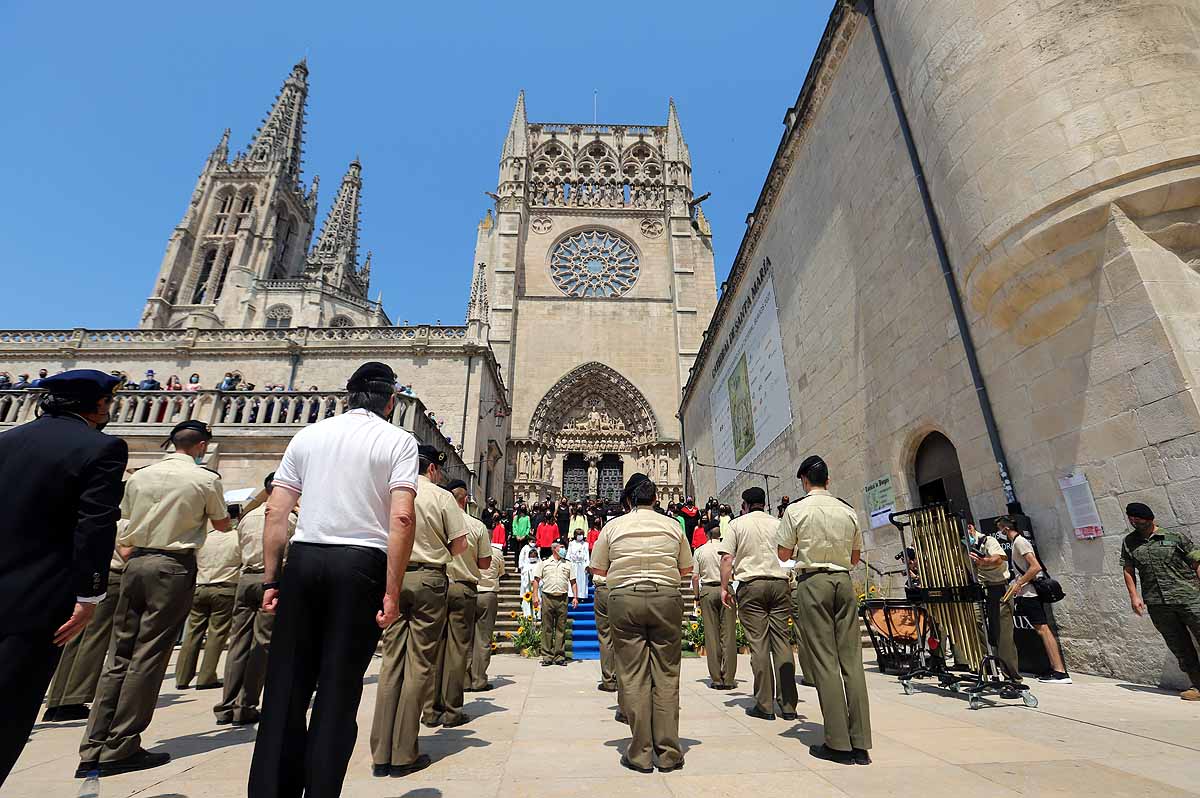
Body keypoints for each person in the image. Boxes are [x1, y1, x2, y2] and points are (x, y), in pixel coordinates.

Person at [247, 362, 420, 796]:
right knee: (339, 690)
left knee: (285, 685)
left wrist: (272, 579)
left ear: (348, 396)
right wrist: (392, 591)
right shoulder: (398, 440)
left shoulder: (308, 436)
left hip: (304, 561)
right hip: (360, 565)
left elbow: (275, 511)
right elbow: (401, 517)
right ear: (392, 402)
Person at [79, 420, 230, 778]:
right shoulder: (205, 479)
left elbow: (122, 522)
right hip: (172, 565)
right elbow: (222, 525)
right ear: (202, 445)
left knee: (120, 654)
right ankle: (122, 745)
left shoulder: (141, 476)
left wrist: (131, 551)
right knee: (149, 654)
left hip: (136, 562)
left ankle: (94, 744)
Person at [0, 370, 127, 786]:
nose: (108, 410)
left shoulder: (7, 440)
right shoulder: (102, 447)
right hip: (39, 598)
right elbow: (95, 525)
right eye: (107, 403)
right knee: (12, 705)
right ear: (95, 406)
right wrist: (89, 594)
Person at [369, 443, 467, 778]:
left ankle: (381, 753)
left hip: (393, 577)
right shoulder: (441, 497)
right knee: (420, 664)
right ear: (434, 469)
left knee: (391, 662)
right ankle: (404, 752)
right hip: (428, 580)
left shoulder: (392, 493)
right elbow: (460, 545)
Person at [591, 473, 692, 773]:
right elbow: (685, 568)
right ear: (656, 499)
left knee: (633, 675)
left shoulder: (613, 526)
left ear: (628, 501)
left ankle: (640, 752)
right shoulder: (673, 526)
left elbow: (598, 567)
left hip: (624, 601)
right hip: (666, 597)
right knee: (666, 674)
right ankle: (669, 752)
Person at [777, 455, 871, 765]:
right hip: (843, 581)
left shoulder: (796, 510)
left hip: (813, 581)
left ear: (804, 481)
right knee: (851, 661)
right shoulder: (847, 510)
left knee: (825, 660)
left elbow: (783, 553)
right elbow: (856, 557)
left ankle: (838, 742)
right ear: (828, 481)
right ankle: (860, 742)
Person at [214, 472, 296, 726]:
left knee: (238, 642)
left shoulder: (248, 517)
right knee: (263, 644)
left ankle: (226, 704)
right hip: (270, 580)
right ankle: (246, 704)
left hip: (246, 578)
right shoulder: (289, 518)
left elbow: (239, 547)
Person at [720, 487, 795, 720]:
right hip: (780, 583)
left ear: (744, 504)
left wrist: (724, 587)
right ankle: (789, 704)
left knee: (759, 644)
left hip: (751, 585)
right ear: (764, 503)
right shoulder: (778, 523)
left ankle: (765, 703)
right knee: (782, 642)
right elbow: (789, 553)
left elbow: (726, 558)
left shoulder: (737, 525)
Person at [422, 479, 491, 728]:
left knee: (433, 647)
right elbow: (485, 563)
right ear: (465, 499)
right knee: (458, 649)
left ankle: (430, 709)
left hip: (436, 585)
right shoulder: (475, 526)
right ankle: (452, 711)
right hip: (463, 589)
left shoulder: (434, 519)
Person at [44, 529, 128, 723]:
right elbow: (125, 552)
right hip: (109, 575)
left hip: (84, 574)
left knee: (74, 637)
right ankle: (74, 699)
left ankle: (58, 699)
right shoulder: (118, 518)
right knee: (94, 639)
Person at [1120, 502, 1200, 700]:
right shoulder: (1129, 542)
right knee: (1180, 646)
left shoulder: (1175, 537)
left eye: (1139, 521)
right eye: (1132, 521)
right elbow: (1128, 569)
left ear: (1150, 519)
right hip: (1157, 603)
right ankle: (1198, 686)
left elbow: (1196, 562)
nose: (1135, 524)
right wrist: (1134, 596)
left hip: (1189, 598)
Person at [998, 516, 1070, 683]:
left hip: (1030, 593)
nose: (999, 533)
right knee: (1040, 629)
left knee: (1043, 629)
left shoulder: (1019, 542)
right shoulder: (1018, 542)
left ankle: (1059, 670)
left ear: (1005, 528)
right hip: (1026, 592)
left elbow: (1035, 566)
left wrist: (1019, 583)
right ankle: (1055, 668)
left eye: (1000, 529)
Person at [176, 522, 241, 689]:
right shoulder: (237, 538)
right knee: (216, 634)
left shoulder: (205, 538)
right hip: (225, 587)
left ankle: (182, 677)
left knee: (192, 632)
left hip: (201, 585)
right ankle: (206, 677)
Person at [967, 523, 1020, 680]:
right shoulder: (961, 547)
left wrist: (985, 562)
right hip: (977, 590)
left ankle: (1012, 677)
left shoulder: (988, 541)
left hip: (997, 589)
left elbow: (999, 558)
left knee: (1002, 634)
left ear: (970, 528)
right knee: (975, 625)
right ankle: (987, 667)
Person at [694, 524, 736, 690]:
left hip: (708, 589)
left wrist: (696, 596)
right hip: (727, 587)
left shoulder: (700, 551)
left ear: (706, 533)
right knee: (729, 635)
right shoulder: (729, 548)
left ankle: (717, 678)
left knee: (711, 636)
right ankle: (729, 678)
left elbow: (696, 577)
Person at [468, 539, 506, 692]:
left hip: (470, 591)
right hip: (488, 593)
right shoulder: (496, 553)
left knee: (465, 638)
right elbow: (500, 572)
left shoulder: (468, 550)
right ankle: (478, 680)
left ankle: (464, 680)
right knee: (483, 638)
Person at [532, 541, 578, 666]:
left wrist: (575, 597)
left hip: (562, 598)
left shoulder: (568, 564)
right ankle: (547, 656)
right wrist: (535, 596)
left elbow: (573, 581)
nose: (563, 550)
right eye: (561, 547)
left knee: (561, 628)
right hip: (548, 597)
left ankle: (559, 656)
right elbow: (536, 580)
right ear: (554, 549)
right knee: (546, 627)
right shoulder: (544, 563)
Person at [567, 528, 590, 595]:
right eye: (578, 534)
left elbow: (587, 555)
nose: (580, 536)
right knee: (573, 579)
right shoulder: (571, 543)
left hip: (582, 564)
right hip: (573, 564)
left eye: (581, 534)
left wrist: (587, 565)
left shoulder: (585, 544)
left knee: (581, 580)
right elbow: (568, 554)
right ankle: (572, 595)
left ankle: (581, 595)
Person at [520, 544, 540, 618]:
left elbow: (542, 577)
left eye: (534, 556)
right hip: (528, 587)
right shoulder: (526, 566)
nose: (532, 558)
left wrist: (537, 582)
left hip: (537, 588)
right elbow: (523, 577)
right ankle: (527, 615)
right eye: (531, 556)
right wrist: (528, 581)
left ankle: (537, 615)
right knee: (527, 602)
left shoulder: (539, 565)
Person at [511, 506, 531, 571]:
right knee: (517, 552)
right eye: (521, 507)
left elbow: (528, 527)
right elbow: (514, 526)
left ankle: (523, 566)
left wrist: (525, 535)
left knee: (524, 552)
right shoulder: (516, 517)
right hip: (516, 537)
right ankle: (516, 566)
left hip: (524, 537)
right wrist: (516, 535)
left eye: (524, 508)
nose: (523, 509)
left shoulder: (527, 517)